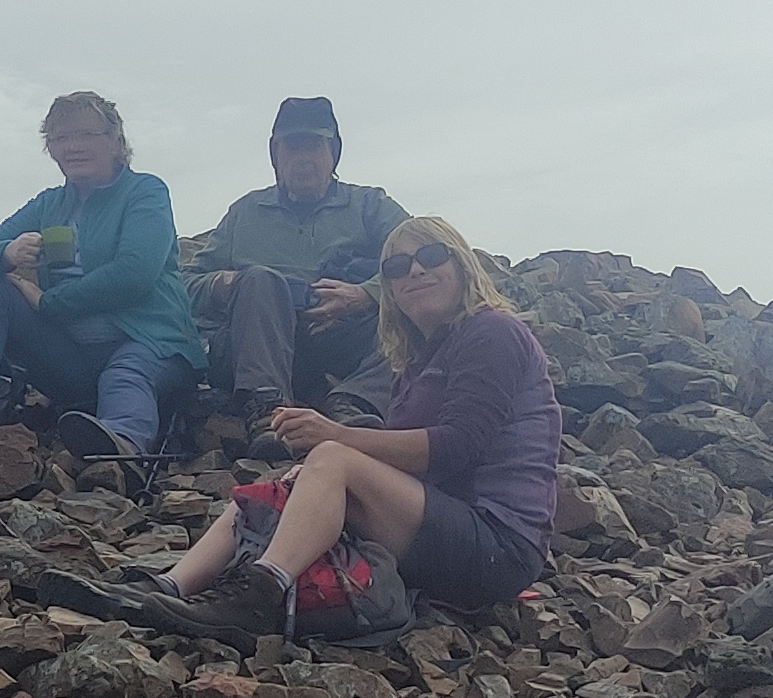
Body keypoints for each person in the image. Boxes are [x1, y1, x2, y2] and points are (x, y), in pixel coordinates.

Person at [148, 214, 556, 636]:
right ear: (391, 290)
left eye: (432, 256)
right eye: (397, 267)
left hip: (499, 547)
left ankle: (262, 593)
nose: (415, 270)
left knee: (332, 459)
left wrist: (337, 436)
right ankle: (169, 585)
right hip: (441, 529)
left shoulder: (493, 331)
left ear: (463, 266)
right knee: (297, 476)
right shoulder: (417, 362)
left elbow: (457, 447)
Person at [0, 89, 205, 461]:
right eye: (61, 138)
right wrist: (6, 252)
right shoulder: (49, 203)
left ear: (116, 140)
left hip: (150, 343)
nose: (73, 147)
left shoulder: (145, 192)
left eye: (87, 135)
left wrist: (50, 303)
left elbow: (134, 274)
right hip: (72, 357)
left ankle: (120, 452)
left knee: (125, 375)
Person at [195, 96, 412, 434]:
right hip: (256, 348)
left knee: (415, 316)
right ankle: (266, 411)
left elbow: (422, 253)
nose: (303, 160)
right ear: (275, 156)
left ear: (333, 153)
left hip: (346, 341)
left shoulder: (370, 205)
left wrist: (365, 294)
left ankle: (354, 404)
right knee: (260, 281)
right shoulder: (245, 213)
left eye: (314, 147)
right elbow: (184, 281)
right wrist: (221, 284)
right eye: (292, 148)